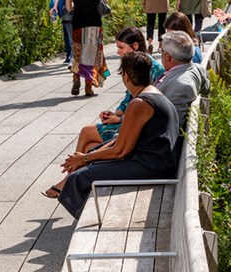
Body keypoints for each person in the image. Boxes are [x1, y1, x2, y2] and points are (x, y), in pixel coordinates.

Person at [42, 27, 164, 199]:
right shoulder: (138, 62)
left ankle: (70, 179)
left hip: (137, 125)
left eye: (121, 47)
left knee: (87, 133)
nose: (118, 51)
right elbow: (130, 98)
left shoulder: (149, 67)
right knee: (90, 146)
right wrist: (116, 113)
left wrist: (119, 117)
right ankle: (74, 181)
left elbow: (141, 103)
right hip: (133, 121)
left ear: (135, 46)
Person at [56, 51, 180, 219]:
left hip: (152, 167)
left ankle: (93, 220)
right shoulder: (153, 94)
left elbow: (120, 150)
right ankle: (94, 215)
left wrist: (85, 159)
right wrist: (88, 156)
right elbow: (119, 140)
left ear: (127, 76)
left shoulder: (140, 103)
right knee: (90, 161)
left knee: (78, 178)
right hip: (158, 162)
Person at [67, 0, 109, 97]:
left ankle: (76, 77)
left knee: (78, 53)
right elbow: (105, 1)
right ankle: (88, 88)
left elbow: (68, 7)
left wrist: (77, 4)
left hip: (78, 22)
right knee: (91, 54)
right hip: (94, 23)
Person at [156, 30, 211, 127]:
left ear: (168, 57)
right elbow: (207, 88)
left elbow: (173, 125)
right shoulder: (198, 68)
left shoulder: (182, 86)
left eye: (162, 51)